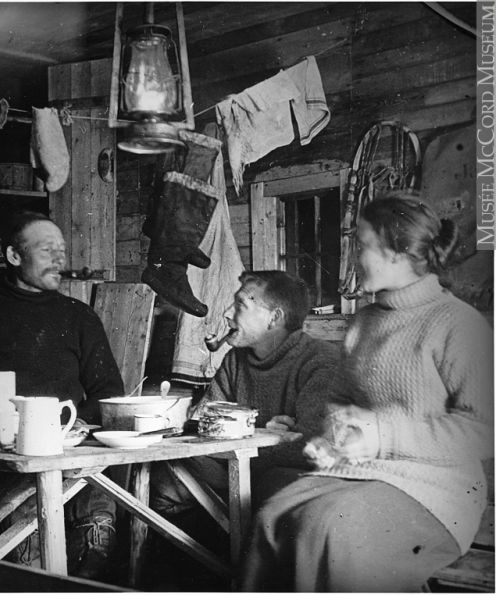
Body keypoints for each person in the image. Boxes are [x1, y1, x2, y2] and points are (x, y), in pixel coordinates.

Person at [241, 195, 494, 592]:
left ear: (396, 251)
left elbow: (484, 429)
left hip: (438, 492)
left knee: (326, 527)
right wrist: (332, 438)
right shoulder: (363, 323)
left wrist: (383, 435)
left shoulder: (457, 323)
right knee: (270, 516)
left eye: (361, 245)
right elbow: (341, 401)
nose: (352, 258)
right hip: (365, 475)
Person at [0, 211, 124, 579]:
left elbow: (108, 390)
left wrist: (74, 433)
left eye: (62, 250)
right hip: (5, 456)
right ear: (13, 256)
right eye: (47, 250)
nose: (60, 259)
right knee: (28, 562)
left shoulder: (79, 316)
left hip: (73, 451)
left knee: (95, 535)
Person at [151, 270, 340, 514]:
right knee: (161, 484)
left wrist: (255, 444)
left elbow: (312, 448)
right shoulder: (235, 360)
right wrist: (269, 438)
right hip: (234, 470)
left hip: (295, 481)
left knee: (278, 490)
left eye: (240, 305)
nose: (227, 313)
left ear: (274, 318)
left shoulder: (320, 361)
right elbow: (203, 422)